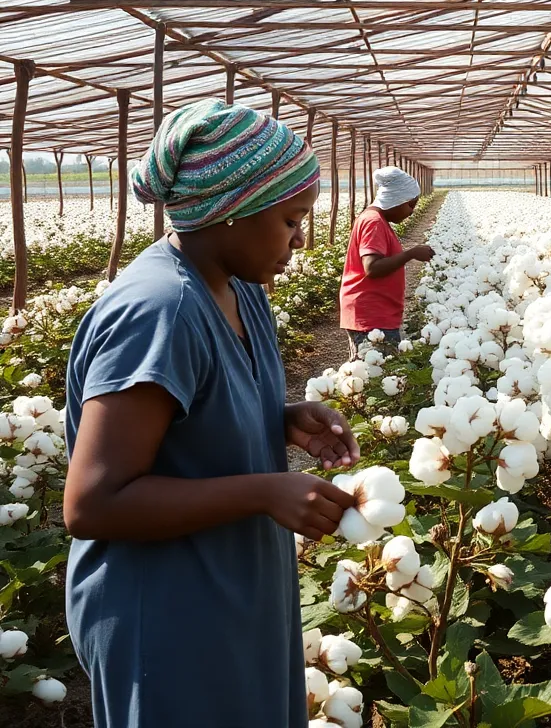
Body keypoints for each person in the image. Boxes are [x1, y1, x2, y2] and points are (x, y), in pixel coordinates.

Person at [62, 99, 360, 728]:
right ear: (231, 212)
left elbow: (191, 412)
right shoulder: (159, 310)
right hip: (166, 614)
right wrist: (263, 490)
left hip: (229, 587)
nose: (301, 239)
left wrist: (279, 419)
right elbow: (92, 503)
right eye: (291, 220)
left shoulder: (240, 290)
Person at [339, 166, 434, 357]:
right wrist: (411, 253)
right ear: (397, 200)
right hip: (371, 316)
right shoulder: (374, 222)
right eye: (411, 205)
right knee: (375, 373)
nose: (412, 212)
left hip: (375, 313)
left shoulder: (376, 220)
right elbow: (372, 267)